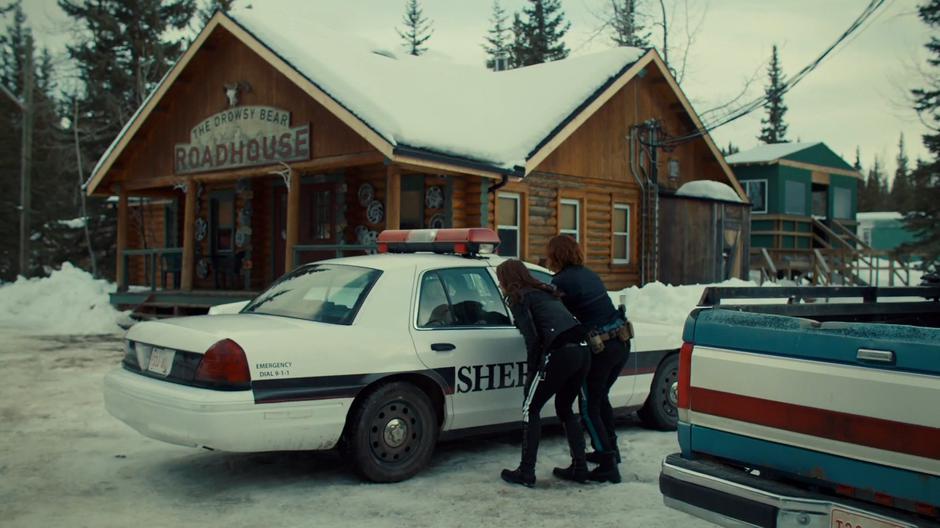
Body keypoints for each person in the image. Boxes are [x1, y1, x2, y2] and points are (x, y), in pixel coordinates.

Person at [495, 259, 591, 488]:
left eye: (500, 279)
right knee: (565, 407)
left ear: (507, 279)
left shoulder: (519, 298)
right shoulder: (545, 291)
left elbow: (533, 339)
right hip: (583, 350)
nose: (500, 284)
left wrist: (532, 372)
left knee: (531, 407)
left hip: (561, 353)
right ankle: (580, 467)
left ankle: (526, 472)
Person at [546, 235, 630, 484]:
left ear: (557, 255)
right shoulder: (588, 274)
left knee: (588, 406)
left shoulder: (561, 281)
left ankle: (606, 466)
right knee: (600, 398)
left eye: (549, 253)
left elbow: (556, 315)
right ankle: (611, 452)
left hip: (601, 349)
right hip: (621, 343)